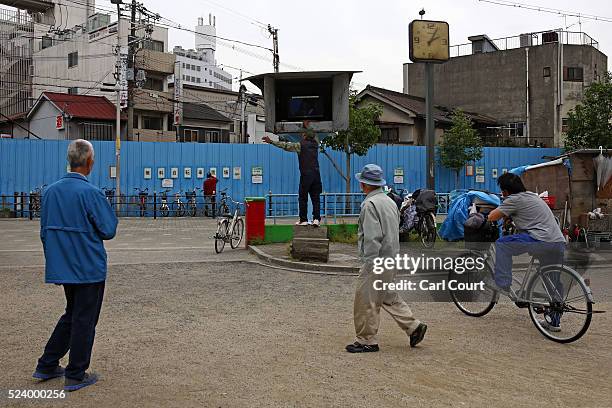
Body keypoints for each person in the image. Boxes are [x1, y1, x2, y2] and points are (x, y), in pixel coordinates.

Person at [33, 139, 118, 392]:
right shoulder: (91, 193)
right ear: (90, 163)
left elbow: (44, 231)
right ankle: (76, 373)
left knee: (72, 314)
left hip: (63, 265)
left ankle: (47, 364)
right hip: (88, 266)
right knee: (84, 320)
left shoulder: (50, 192)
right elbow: (108, 229)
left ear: (69, 161)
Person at [346, 164, 427, 353]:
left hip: (377, 260)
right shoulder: (390, 201)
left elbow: (372, 237)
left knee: (366, 300)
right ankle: (413, 326)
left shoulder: (369, 204)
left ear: (364, 184)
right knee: (388, 296)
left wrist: (370, 262)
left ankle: (367, 340)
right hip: (391, 257)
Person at [488, 172, 566, 331]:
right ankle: (554, 321)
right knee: (551, 278)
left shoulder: (513, 199)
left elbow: (492, 217)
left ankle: (502, 283)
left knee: (502, 244)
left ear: (505, 191)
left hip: (540, 240)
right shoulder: (532, 196)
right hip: (557, 242)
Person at [263, 124, 322, 226]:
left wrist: (271, 141)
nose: (301, 135)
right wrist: (307, 125)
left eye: (303, 133)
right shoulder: (316, 144)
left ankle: (303, 220)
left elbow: (286, 146)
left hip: (306, 175)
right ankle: (316, 219)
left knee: (303, 197)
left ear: (305, 135)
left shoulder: (300, 145)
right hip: (316, 175)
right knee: (315, 198)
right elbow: (313, 134)